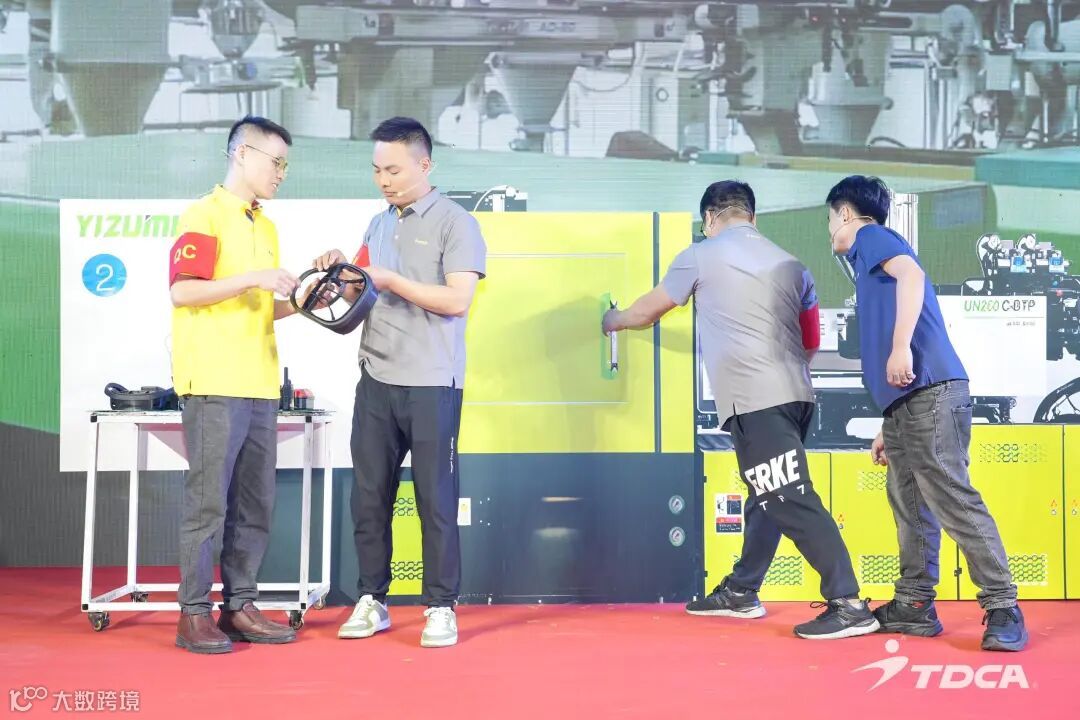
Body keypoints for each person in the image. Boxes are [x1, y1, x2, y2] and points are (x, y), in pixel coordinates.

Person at [604, 180, 878, 639]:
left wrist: (612, 319)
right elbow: (811, 341)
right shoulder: (792, 263)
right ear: (752, 216)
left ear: (710, 218)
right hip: (796, 396)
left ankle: (848, 602)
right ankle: (742, 590)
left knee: (788, 496)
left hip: (755, 399)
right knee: (765, 495)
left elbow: (648, 311)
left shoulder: (701, 254)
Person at [825, 175, 1027, 651]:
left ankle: (1003, 605)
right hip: (907, 402)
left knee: (951, 497)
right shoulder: (867, 259)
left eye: (831, 219)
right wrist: (889, 419)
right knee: (910, 503)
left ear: (847, 213)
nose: (830, 229)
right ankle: (914, 604)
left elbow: (912, 277)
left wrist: (901, 347)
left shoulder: (872, 236)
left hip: (931, 389)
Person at [314, 117, 487, 648]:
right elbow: (360, 289)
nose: (383, 180)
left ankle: (441, 606)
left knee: (436, 500)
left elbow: (457, 300)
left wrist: (391, 280)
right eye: (376, 170)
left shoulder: (456, 222)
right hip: (376, 377)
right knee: (369, 499)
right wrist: (338, 276)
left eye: (393, 169)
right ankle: (372, 599)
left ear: (424, 164)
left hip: (432, 381)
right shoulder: (377, 224)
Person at [168, 116, 302, 653]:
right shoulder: (203, 214)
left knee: (254, 504)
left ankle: (240, 606)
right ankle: (193, 614)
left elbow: (264, 307)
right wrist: (254, 278)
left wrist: (305, 301)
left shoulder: (265, 226)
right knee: (209, 505)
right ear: (242, 154)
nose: (281, 173)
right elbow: (183, 291)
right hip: (213, 380)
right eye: (275, 161)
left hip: (261, 383)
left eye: (285, 164)